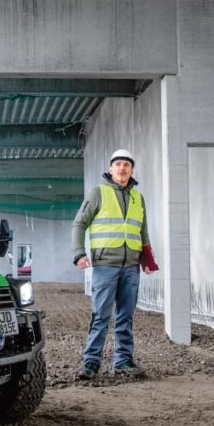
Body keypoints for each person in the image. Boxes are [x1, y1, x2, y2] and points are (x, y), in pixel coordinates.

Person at [71, 149, 158, 379]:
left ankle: (123, 361)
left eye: (126, 165)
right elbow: (79, 224)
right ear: (110, 169)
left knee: (125, 316)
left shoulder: (138, 197)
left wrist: (148, 260)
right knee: (101, 315)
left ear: (132, 170)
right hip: (105, 264)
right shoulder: (98, 193)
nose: (122, 168)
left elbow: (143, 231)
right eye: (118, 164)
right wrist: (79, 253)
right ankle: (91, 363)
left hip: (131, 265)